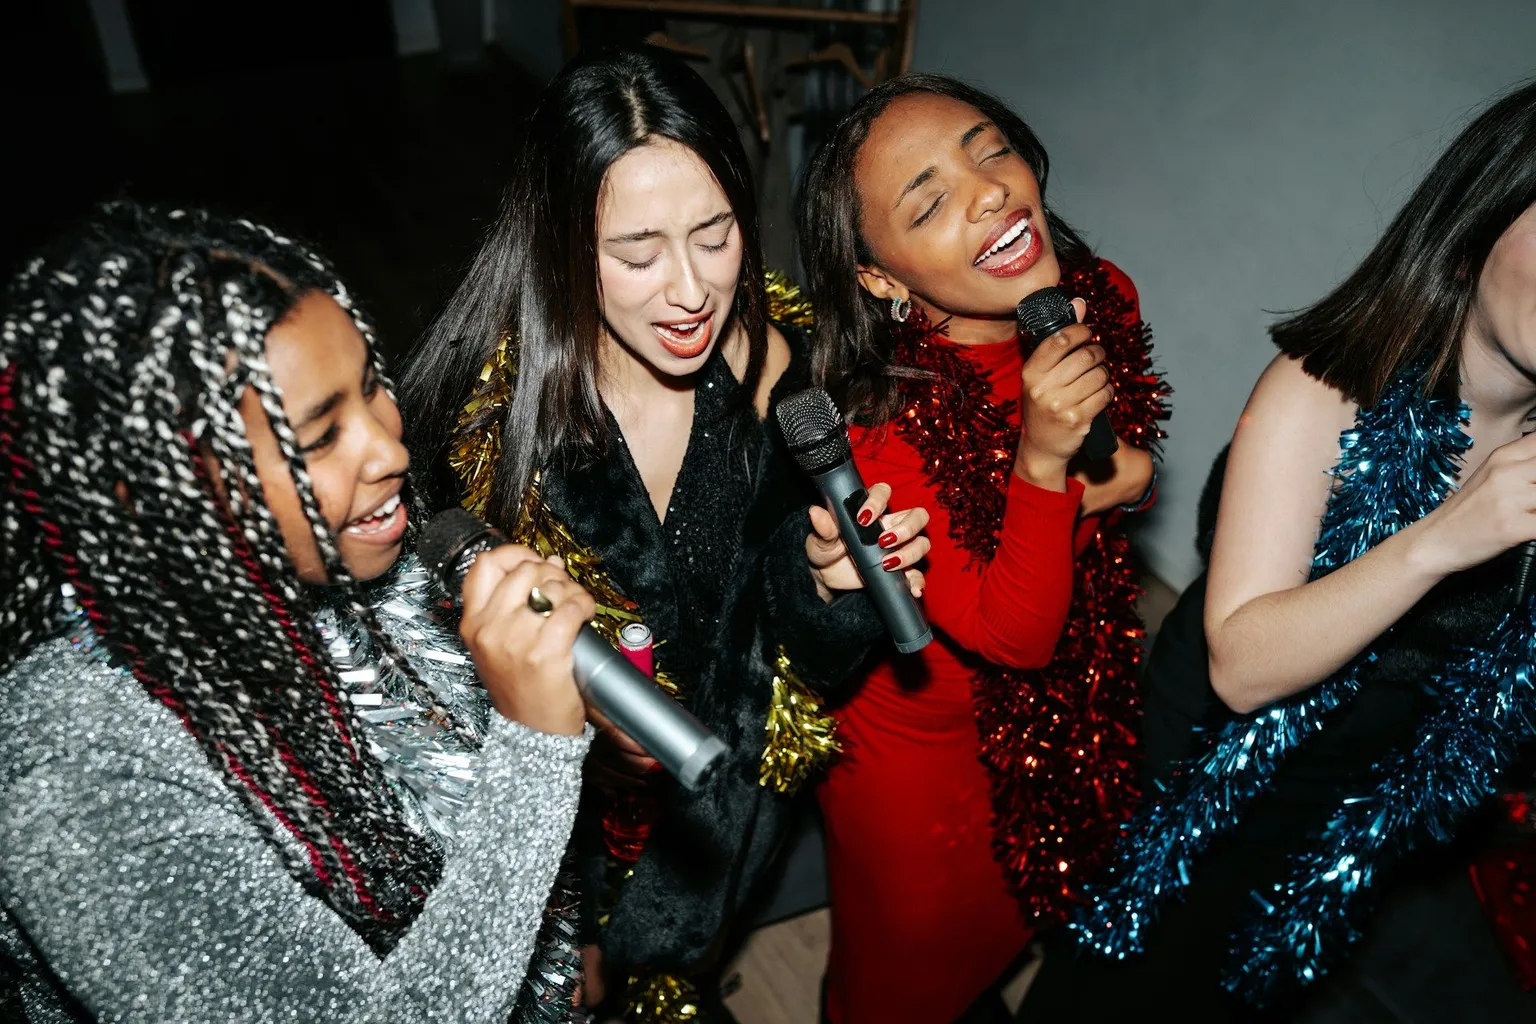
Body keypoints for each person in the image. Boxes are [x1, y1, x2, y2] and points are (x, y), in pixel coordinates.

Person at [397, 48, 929, 1021]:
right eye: (637, 253)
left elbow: (791, 654)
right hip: (569, 840)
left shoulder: (780, 368)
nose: (689, 290)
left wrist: (829, 590)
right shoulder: (484, 429)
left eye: (716, 234)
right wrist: (551, 724)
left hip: (731, 807)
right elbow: (417, 702)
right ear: (559, 244)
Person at [0, 202, 598, 1023]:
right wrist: (532, 752)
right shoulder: (77, 770)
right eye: (318, 437)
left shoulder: (360, 558)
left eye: (372, 386)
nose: (389, 450)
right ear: (159, 491)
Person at [1023, 81, 1536, 1021]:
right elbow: (1243, 666)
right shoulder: (1322, 389)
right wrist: (1450, 538)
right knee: (1118, 992)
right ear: (1479, 226)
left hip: (1359, 814)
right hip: (1203, 775)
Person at [796, 73, 1168, 1024]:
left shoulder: (1095, 298)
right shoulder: (876, 430)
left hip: (1069, 712)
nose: (989, 191)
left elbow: (1132, 468)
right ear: (880, 278)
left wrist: (1096, 481)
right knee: (900, 983)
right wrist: (1056, 472)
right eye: (928, 202)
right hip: (919, 765)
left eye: (989, 148)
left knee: (1024, 924)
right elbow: (1013, 633)